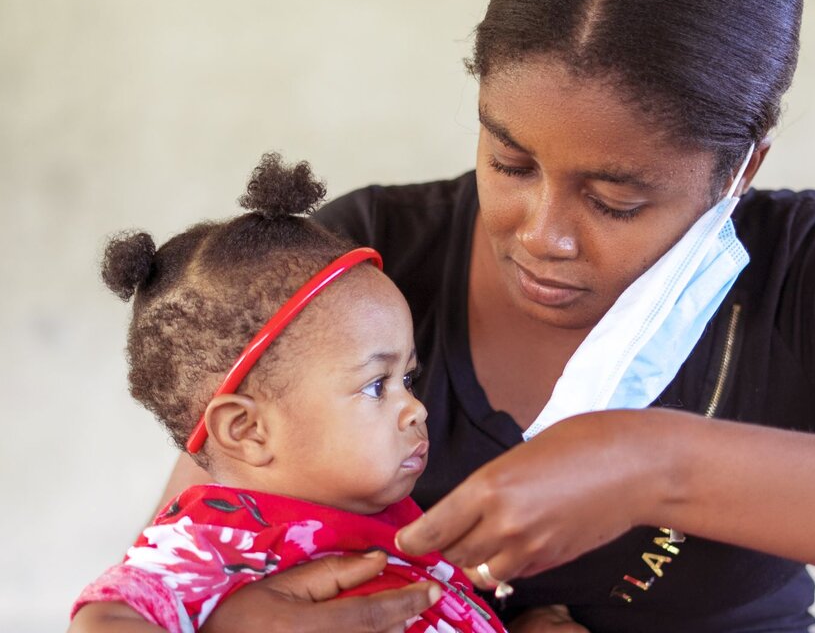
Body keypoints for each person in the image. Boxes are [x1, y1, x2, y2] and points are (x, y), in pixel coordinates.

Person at [75, 0, 815, 632]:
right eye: (509, 162)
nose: (541, 235)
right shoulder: (354, 276)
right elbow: (180, 551)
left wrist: (655, 465)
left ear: (741, 169)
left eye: (615, 199)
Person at [68, 154, 507, 633]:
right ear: (248, 429)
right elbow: (102, 619)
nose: (415, 410)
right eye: (376, 385)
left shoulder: (391, 519)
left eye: (407, 379)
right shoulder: (217, 539)